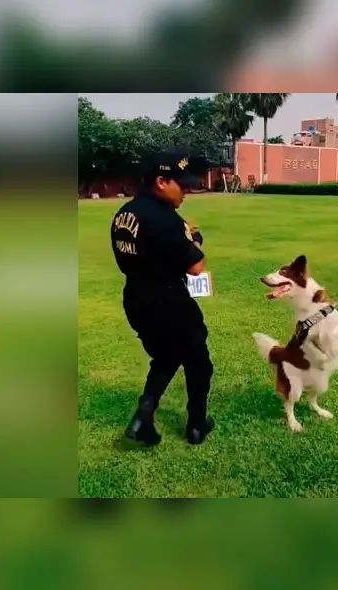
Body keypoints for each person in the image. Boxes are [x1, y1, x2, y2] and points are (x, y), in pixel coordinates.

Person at [110, 149, 215, 446]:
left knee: (166, 357)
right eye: (181, 185)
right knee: (199, 364)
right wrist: (194, 239)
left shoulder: (123, 214)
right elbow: (196, 268)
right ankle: (196, 425)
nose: (187, 191)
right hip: (170, 302)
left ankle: (144, 414)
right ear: (160, 181)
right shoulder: (167, 219)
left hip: (136, 299)